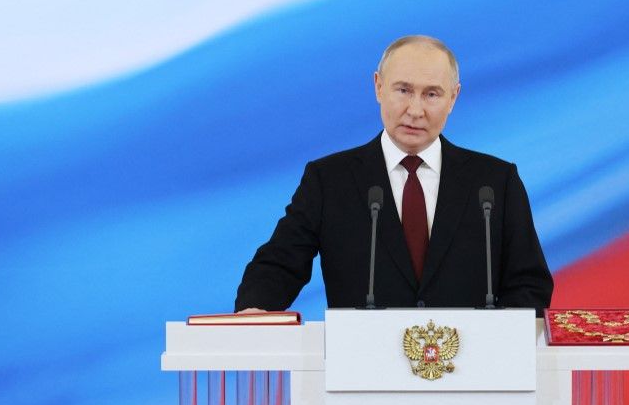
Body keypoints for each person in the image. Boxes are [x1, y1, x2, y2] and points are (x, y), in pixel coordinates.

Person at [235, 35, 552, 313]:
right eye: (403, 90)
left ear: (453, 98)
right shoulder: (330, 180)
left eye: (432, 94)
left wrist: (497, 344)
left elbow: (529, 284)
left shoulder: (495, 183)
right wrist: (256, 308)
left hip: (468, 373)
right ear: (378, 87)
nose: (415, 110)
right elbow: (279, 265)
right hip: (363, 372)